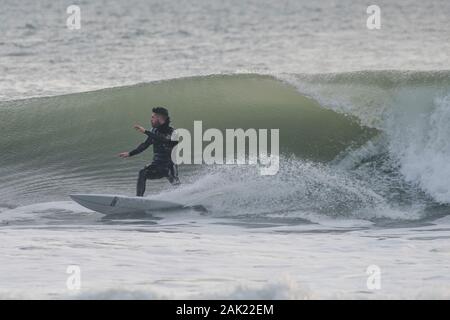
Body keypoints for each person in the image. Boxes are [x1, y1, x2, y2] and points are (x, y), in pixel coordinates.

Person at [119, 107, 180, 197]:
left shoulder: (173, 132)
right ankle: (138, 199)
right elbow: (145, 144)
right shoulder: (154, 131)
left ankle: (188, 199)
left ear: (159, 119)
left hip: (169, 166)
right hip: (157, 165)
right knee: (142, 173)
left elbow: (164, 140)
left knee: (177, 186)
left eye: (153, 117)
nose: (151, 120)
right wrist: (130, 153)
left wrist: (145, 132)